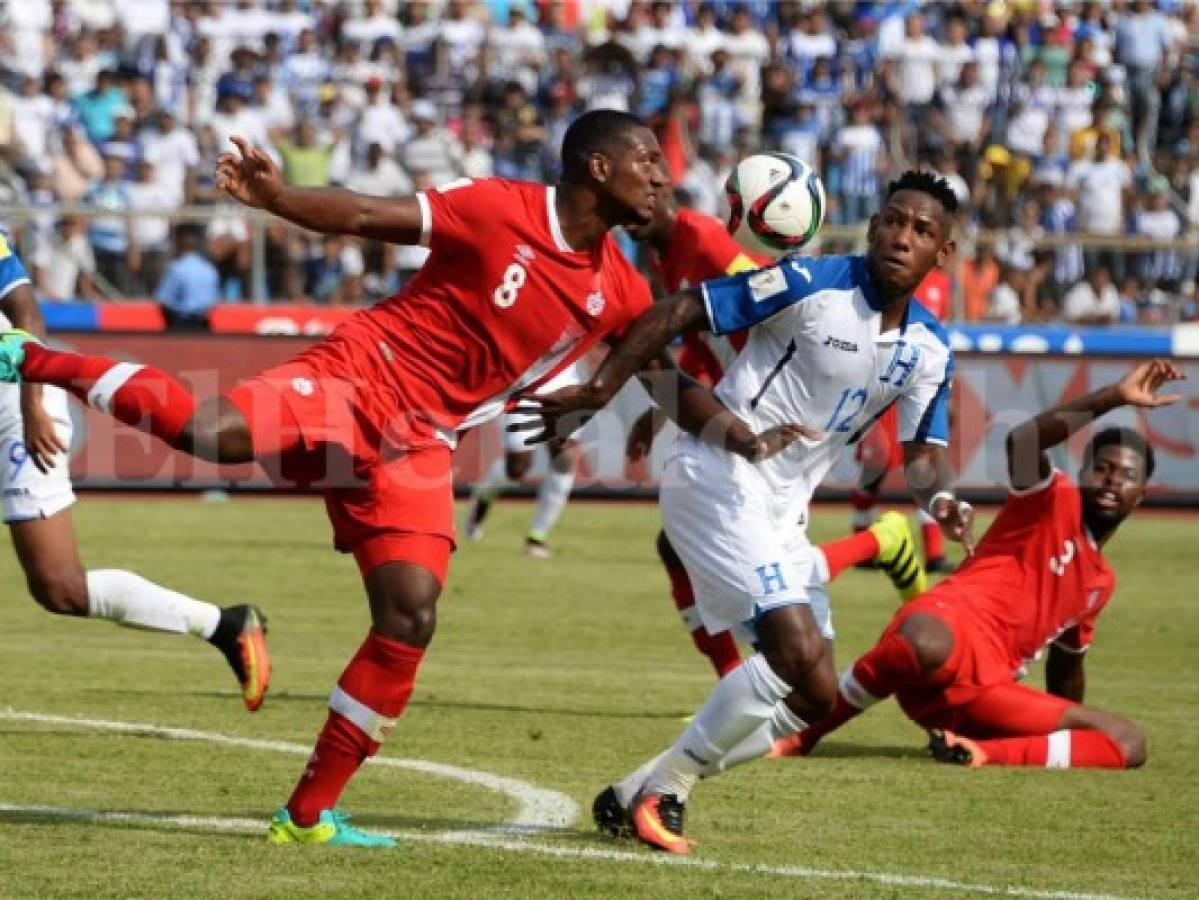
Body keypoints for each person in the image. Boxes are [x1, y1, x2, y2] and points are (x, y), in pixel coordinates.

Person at [0, 109, 733, 849]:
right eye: (646, 159)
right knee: (208, 434)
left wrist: (742, 436)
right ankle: (30, 359)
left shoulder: (620, 287)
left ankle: (308, 815)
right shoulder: (499, 207)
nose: (661, 175)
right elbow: (362, 212)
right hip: (360, 374)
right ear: (598, 167)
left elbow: (666, 381)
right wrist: (278, 199)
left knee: (410, 612)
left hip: (420, 439)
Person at [522, 171, 975, 854]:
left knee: (817, 696)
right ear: (873, 223)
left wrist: (939, 497)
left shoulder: (929, 349)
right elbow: (676, 312)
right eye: (891, 219)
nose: (898, 236)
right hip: (714, 473)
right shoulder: (809, 283)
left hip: (780, 509)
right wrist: (600, 390)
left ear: (941, 253)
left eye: (919, 230)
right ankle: (666, 790)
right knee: (792, 650)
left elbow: (921, 454)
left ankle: (631, 792)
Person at [776, 360, 1185, 772]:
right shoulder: (1052, 497)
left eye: (1126, 476)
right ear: (1080, 474)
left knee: (1130, 743)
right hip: (944, 636)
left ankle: (979, 752)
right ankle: (802, 734)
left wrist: (1063, 729)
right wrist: (1112, 396)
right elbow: (1024, 442)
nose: (1113, 480)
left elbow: (1067, 670)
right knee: (923, 642)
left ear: (1141, 495)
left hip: (985, 696)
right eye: (1102, 469)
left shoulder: (1100, 583)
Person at [622, 192, 928, 679]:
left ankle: (878, 544)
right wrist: (665, 411)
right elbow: (709, 342)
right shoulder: (662, 253)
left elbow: (763, 312)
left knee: (747, 570)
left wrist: (754, 402)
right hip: (738, 413)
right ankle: (880, 542)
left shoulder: (704, 241)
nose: (631, 213)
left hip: (769, 414)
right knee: (683, 547)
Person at [0, 230, 270, 711]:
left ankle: (226, 626)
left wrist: (32, 405)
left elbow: (26, 315)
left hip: (18, 404)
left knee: (60, 587)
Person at [461, 360, 587, 559]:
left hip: (566, 389)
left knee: (563, 462)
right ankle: (481, 502)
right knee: (516, 470)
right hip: (526, 390)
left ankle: (537, 537)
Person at [155, 226, 221, 331]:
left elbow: (164, 301)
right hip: (203, 324)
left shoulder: (177, 268)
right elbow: (213, 300)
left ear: (180, 246)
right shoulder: (209, 269)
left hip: (181, 324)